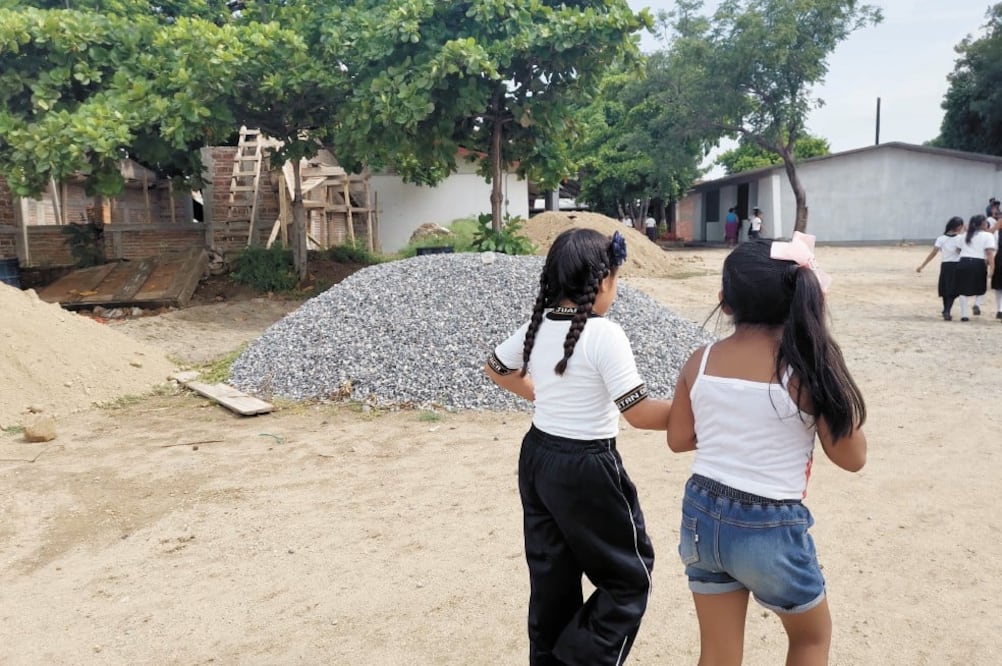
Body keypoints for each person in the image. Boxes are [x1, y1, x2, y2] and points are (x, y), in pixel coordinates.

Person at [666, 234, 867, 666]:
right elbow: (853, 458)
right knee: (810, 639)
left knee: (717, 654)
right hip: (769, 526)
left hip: (701, 515)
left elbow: (678, 439)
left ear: (725, 303)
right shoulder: (808, 368)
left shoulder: (700, 360)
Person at [485, 228, 672, 665]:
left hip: (538, 456)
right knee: (628, 579)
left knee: (552, 579)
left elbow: (496, 367)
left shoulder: (540, 324)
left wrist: (540, 395)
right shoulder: (604, 333)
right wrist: (697, 410)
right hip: (587, 465)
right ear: (604, 280)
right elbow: (639, 413)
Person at [916, 216, 964, 320]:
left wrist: (923, 265)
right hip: (956, 265)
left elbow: (933, 253)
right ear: (959, 226)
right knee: (954, 290)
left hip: (945, 265)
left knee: (945, 288)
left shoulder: (941, 238)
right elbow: (961, 251)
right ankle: (947, 310)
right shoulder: (960, 238)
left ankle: (945, 309)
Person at [955, 214, 997, 321]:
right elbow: (989, 253)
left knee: (962, 289)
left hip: (963, 261)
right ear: (983, 224)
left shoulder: (965, 235)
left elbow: (958, 250)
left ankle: (964, 315)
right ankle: (977, 304)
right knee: (981, 286)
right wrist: (992, 267)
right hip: (979, 262)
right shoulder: (988, 236)